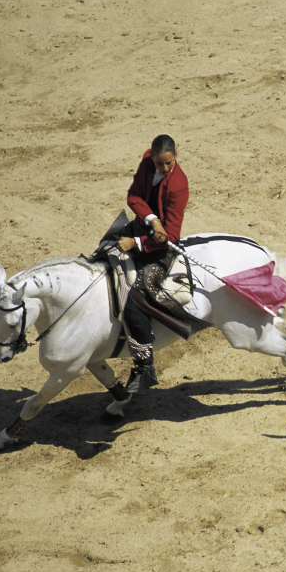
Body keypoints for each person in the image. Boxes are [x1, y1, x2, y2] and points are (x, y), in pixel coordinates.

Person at [116, 134, 189, 394]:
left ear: (175, 155)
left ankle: (145, 366)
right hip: (143, 227)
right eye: (161, 164)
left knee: (135, 294)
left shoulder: (179, 184)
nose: (166, 169)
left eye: (170, 163)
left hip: (159, 248)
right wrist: (151, 219)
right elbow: (134, 196)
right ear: (153, 157)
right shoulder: (147, 160)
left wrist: (136, 243)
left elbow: (170, 237)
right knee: (101, 257)